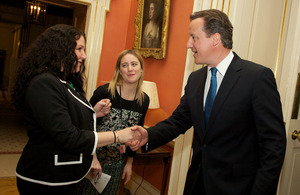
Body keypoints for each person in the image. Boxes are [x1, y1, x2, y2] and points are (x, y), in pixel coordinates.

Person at [131, 9, 287, 195]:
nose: (188, 44)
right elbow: (179, 120)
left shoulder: (256, 78)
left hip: (237, 188)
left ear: (215, 39)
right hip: (198, 183)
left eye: (194, 37)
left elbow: (273, 144)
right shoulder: (196, 79)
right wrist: (149, 135)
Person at [10, 24, 142, 195]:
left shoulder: (64, 82)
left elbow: (67, 118)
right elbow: (69, 136)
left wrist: (93, 111)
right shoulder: (44, 83)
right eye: (79, 49)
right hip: (45, 179)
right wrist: (118, 136)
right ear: (61, 48)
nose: (84, 55)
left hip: (65, 176)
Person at [76, 49, 149, 195]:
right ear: (119, 71)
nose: (130, 69)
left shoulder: (143, 100)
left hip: (117, 164)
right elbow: (85, 124)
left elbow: (136, 134)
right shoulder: (105, 92)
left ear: (141, 69)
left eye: (134, 64)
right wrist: (93, 159)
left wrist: (129, 163)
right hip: (92, 161)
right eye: (124, 65)